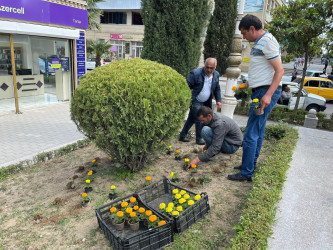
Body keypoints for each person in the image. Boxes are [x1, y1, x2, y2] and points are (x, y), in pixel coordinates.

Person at [227, 14, 284, 182]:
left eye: (244, 33)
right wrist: (246, 85)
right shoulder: (260, 42)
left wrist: (267, 95)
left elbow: (279, 71)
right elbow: (263, 70)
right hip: (259, 90)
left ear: (252, 29)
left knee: (251, 132)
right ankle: (249, 164)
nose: (244, 37)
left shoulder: (267, 42)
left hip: (264, 92)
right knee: (258, 130)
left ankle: (246, 173)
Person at [179, 58, 222, 145]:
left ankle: (182, 135)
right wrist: (186, 98)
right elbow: (186, 86)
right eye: (207, 67)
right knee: (200, 118)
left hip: (207, 101)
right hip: (196, 100)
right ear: (204, 66)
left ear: (215, 67)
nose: (209, 70)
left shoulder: (216, 75)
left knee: (191, 118)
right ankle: (199, 138)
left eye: (211, 68)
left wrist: (219, 100)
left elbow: (217, 88)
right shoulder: (196, 73)